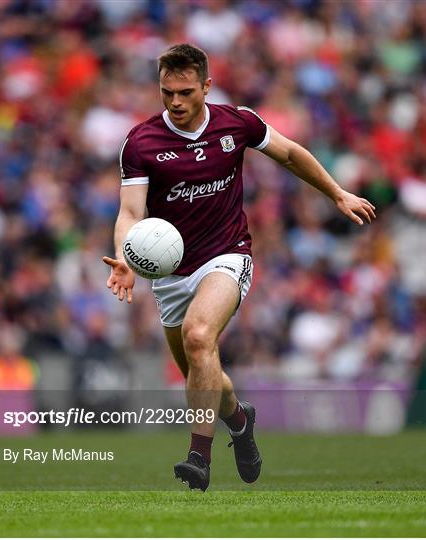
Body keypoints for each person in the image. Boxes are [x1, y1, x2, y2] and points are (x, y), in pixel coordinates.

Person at [103, 43, 376, 491]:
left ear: (206, 86)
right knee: (201, 367)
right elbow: (130, 213)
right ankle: (239, 420)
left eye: (186, 92)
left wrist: (338, 193)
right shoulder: (141, 142)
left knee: (199, 336)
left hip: (227, 254)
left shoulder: (238, 122)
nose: (175, 102)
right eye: (166, 92)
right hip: (169, 272)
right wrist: (126, 258)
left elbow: (289, 154)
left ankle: (198, 458)